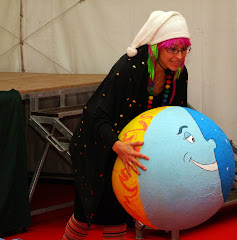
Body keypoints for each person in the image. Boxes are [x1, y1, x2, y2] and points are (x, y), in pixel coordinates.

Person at [62, 10, 191, 240]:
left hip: (129, 147)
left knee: (114, 212)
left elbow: (175, 114)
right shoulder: (129, 69)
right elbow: (96, 116)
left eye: (184, 49)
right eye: (173, 49)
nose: (179, 56)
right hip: (97, 143)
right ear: (155, 47)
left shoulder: (179, 73)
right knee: (90, 213)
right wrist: (117, 145)